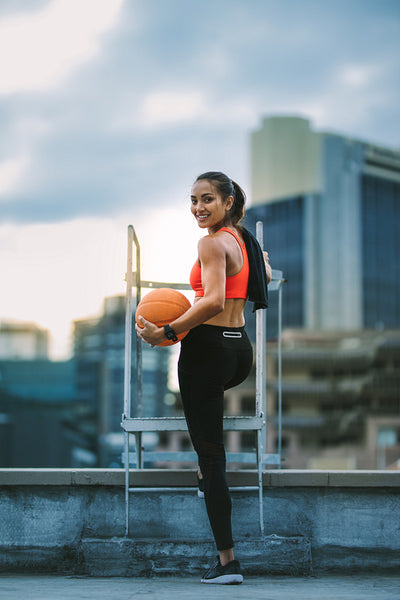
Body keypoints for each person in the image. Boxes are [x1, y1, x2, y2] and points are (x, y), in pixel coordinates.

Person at [136, 171, 271, 584]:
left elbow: (211, 300)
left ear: (228, 201)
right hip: (238, 351)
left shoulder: (211, 243)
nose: (198, 208)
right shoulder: (245, 241)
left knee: (212, 459)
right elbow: (262, 275)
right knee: (206, 445)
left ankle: (227, 562)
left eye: (207, 199)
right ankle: (202, 472)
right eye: (193, 200)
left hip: (207, 352)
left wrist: (169, 331)